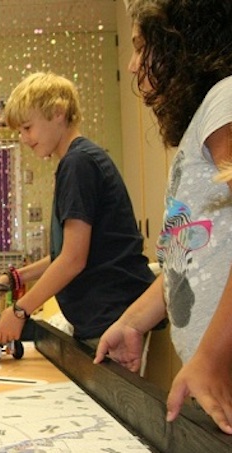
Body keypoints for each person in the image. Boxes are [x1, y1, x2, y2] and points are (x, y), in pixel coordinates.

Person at [94, 0, 232, 435]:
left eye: (141, 47)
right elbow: (186, 260)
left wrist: (209, 358)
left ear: (181, 46)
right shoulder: (204, 117)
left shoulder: (224, 99)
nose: (134, 66)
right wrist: (134, 322)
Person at [0, 72, 154, 348]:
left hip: (111, 318)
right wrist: (19, 276)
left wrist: (20, 310)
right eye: (19, 131)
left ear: (58, 112)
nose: (23, 138)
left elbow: (73, 259)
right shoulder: (79, 160)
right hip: (106, 316)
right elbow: (65, 252)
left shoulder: (78, 163)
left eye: (28, 127)